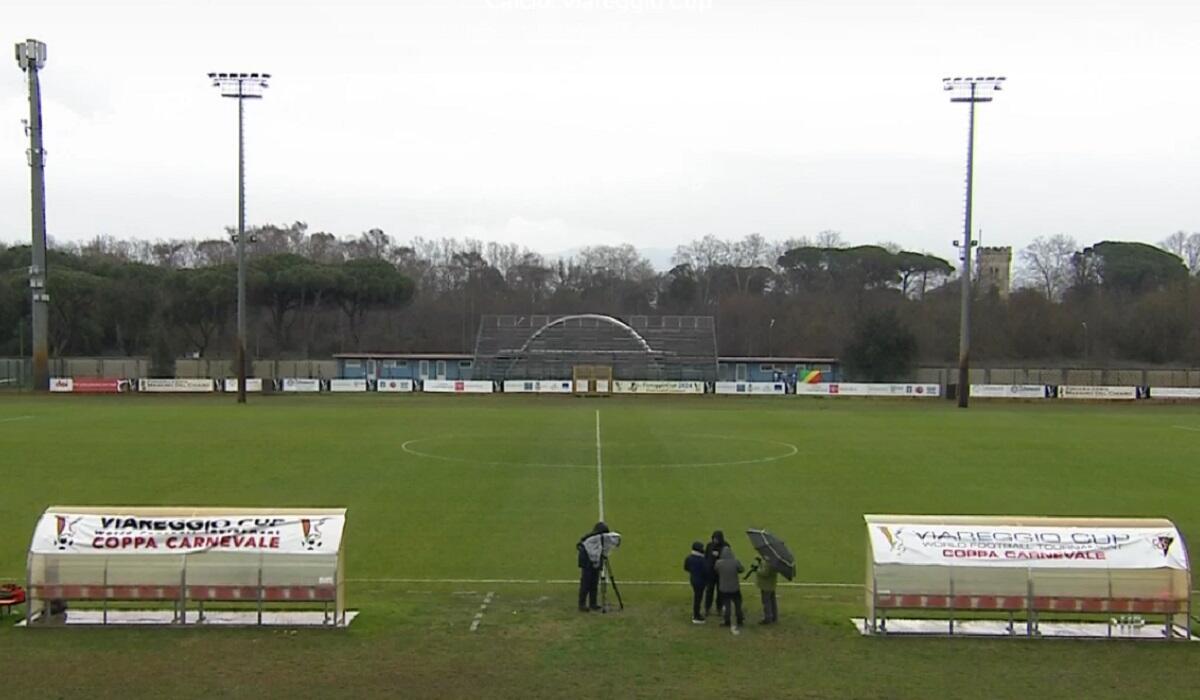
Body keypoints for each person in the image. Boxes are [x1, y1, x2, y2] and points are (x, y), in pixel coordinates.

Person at [576, 521, 609, 612]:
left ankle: (593, 603)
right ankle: (582, 604)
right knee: (586, 583)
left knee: (594, 583)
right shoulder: (589, 539)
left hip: (594, 561)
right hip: (587, 562)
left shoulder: (598, 539)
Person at [713, 545, 745, 631]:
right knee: (738, 604)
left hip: (724, 588)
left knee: (726, 605)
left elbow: (715, 570)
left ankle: (727, 620)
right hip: (734, 587)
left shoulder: (718, 563)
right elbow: (742, 569)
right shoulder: (735, 562)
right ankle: (740, 619)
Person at [702, 530, 728, 617]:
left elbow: (728, 558)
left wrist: (719, 555)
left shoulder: (726, 546)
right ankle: (707, 608)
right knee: (709, 591)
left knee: (720, 592)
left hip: (721, 574)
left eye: (716, 539)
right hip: (710, 573)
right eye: (714, 538)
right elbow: (706, 557)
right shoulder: (709, 546)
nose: (715, 540)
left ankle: (719, 608)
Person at [683, 541, 708, 624]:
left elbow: (686, 568)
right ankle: (696, 616)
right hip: (701, 581)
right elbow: (706, 571)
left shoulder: (689, 558)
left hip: (693, 580)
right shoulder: (702, 560)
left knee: (697, 597)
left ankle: (696, 614)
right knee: (698, 598)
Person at [754, 556, 778, 624]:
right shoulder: (775, 561)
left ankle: (768, 618)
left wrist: (757, 569)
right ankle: (774, 617)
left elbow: (765, 573)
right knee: (773, 601)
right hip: (771, 584)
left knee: (766, 602)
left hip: (766, 586)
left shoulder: (768, 562)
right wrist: (760, 562)